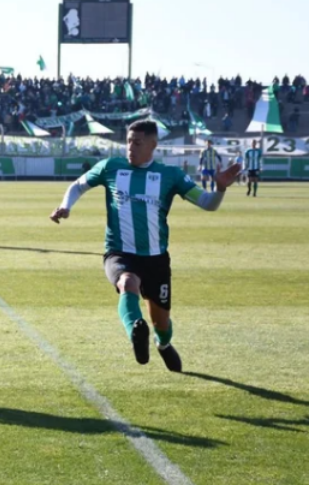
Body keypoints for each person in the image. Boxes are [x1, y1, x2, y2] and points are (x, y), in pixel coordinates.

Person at [49, 120, 241, 373]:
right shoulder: (111, 167)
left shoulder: (170, 175)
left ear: (152, 145)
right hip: (120, 252)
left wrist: (219, 189)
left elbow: (208, 203)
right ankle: (135, 333)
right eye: (128, 141)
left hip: (156, 259)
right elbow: (78, 185)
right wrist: (66, 205)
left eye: (137, 143)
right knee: (127, 283)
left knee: (161, 323)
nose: (131, 147)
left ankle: (163, 344)